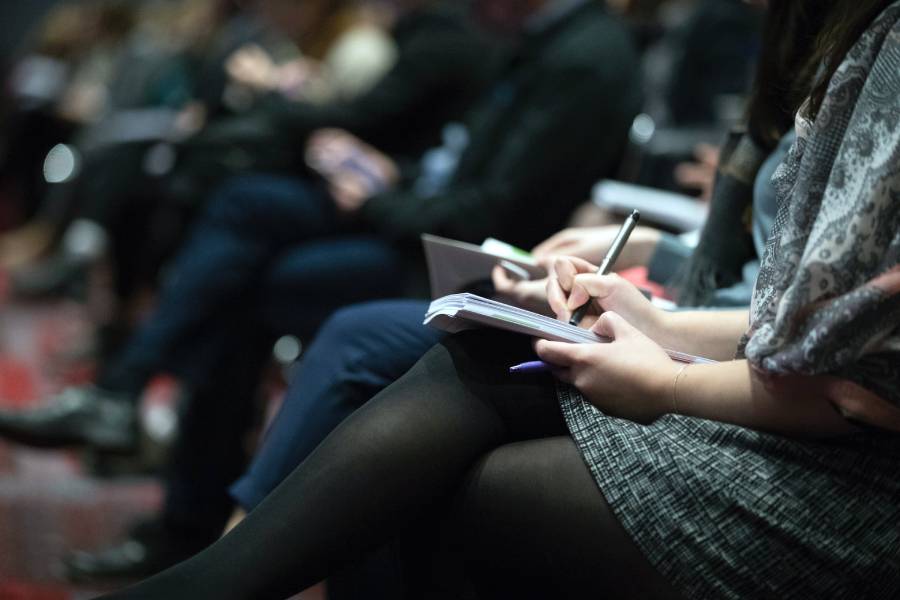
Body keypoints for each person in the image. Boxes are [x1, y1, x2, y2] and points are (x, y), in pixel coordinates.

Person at [93, 1, 900, 598]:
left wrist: (672, 375)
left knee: (433, 444)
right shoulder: (840, 43)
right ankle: (204, 554)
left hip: (851, 479)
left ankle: (207, 560)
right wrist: (656, 316)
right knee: (443, 340)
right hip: (769, 382)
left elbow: (853, 379)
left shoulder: (866, 49)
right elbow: (795, 316)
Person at [1, 0, 643, 582]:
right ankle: (190, 516)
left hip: (482, 266)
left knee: (266, 280)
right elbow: (460, 164)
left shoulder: (577, 55)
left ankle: (205, 536)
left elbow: (491, 212)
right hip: (428, 227)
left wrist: (382, 196)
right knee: (241, 219)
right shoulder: (534, 36)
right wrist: (395, 179)